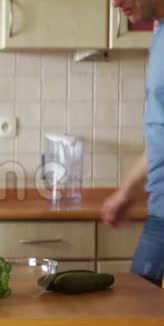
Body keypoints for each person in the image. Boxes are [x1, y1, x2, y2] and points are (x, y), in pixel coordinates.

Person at [101, 0, 164, 286]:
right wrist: (128, 191)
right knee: (138, 304)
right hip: (159, 209)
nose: (115, 2)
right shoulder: (159, 32)